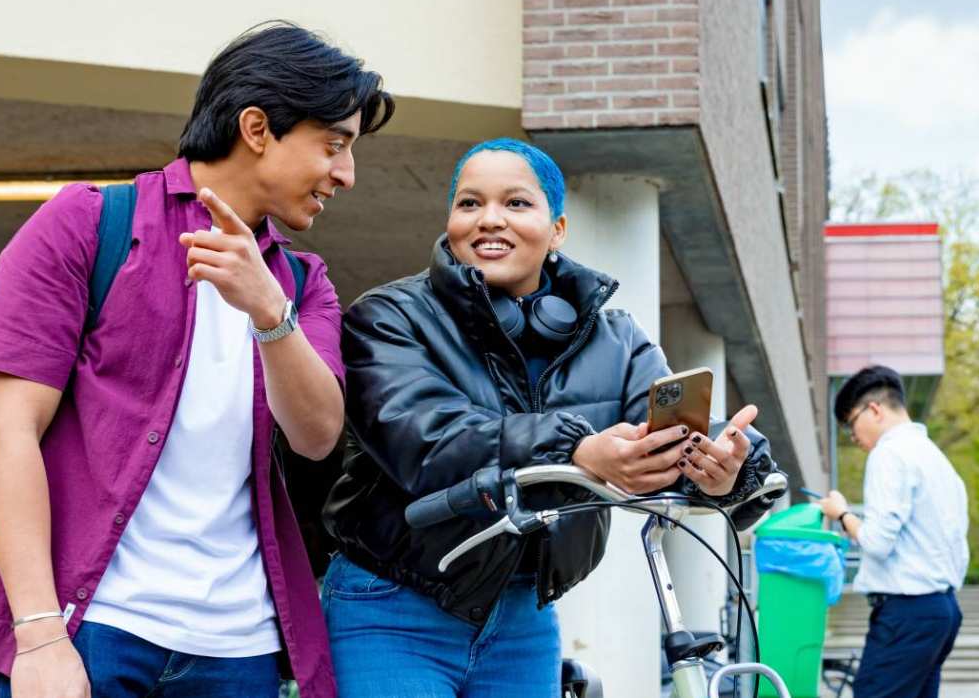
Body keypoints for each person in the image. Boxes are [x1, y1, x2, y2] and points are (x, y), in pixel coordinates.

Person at [0, 22, 393, 698]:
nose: (346, 174)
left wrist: (269, 313)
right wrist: (40, 637)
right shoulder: (89, 226)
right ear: (257, 128)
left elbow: (317, 438)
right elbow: (5, 432)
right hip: (90, 631)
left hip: (238, 650)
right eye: (334, 145)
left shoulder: (305, 284)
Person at [319, 138, 782, 696]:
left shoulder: (618, 339)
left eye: (516, 203)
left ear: (557, 228)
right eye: (469, 204)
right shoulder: (388, 317)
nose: (489, 219)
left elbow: (666, 428)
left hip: (522, 615)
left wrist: (728, 464)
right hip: (392, 605)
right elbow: (425, 438)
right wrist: (576, 450)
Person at [816, 365, 969, 698]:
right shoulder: (938, 460)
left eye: (851, 424)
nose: (853, 437)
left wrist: (841, 513)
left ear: (874, 410)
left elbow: (877, 542)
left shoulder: (889, 453)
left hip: (907, 612)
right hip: (943, 610)